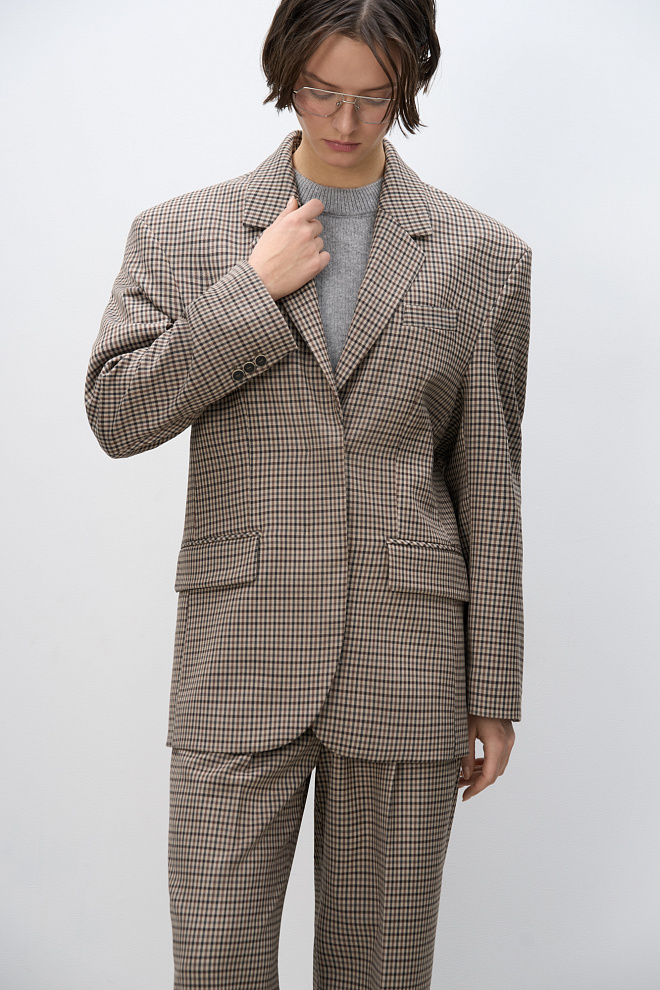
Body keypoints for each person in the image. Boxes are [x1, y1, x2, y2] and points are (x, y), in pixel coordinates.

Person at [85, 0, 531, 986]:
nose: (345, 120)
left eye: (375, 98)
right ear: (284, 72)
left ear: (410, 86)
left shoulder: (484, 256)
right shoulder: (182, 233)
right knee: (217, 964)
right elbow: (118, 415)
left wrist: (494, 688)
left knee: (382, 970)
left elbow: (489, 483)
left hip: (408, 660)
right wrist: (252, 289)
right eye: (322, 92)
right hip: (237, 660)